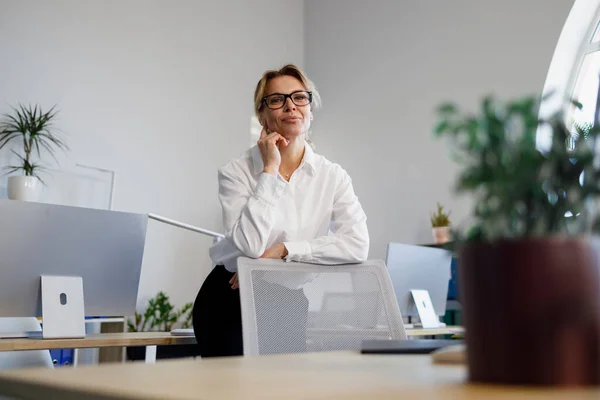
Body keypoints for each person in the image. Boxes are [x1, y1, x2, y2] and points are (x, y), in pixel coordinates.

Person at [192, 64, 369, 357]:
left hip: (288, 301)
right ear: (262, 115)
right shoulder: (236, 172)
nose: (290, 106)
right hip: (231, 299)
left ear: (310, 110)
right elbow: (248, 245)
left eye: (299, 97)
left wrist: (284, 250)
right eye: (277, 100)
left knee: (282, 387)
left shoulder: (332, 176)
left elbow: (357, 244)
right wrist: (270, 171)